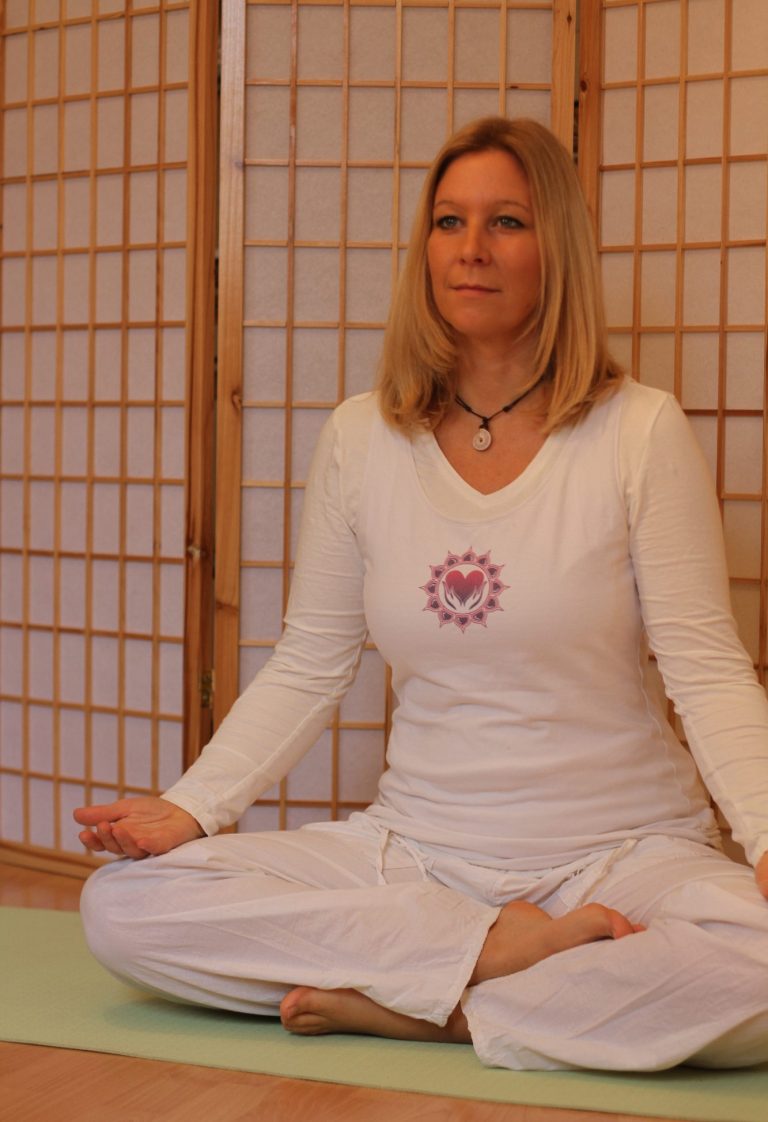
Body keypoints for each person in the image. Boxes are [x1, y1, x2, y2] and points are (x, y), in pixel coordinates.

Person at [75, 117, 768, 1072]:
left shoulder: (638, 431)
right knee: (123, 907)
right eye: (449, 221)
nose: (470, 248)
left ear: (557, 249)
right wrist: (196, 806)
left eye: (507, 222)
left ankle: (441, 1010)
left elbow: (707, 668)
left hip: (620, 856)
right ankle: (499, 963)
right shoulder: (363, 437)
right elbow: (310, 662)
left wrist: (765, 835)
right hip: (417, 854)